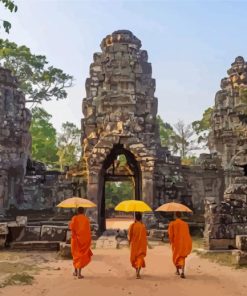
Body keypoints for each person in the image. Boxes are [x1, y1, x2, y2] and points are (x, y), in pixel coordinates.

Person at [69, 207, 93, 279]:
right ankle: (79, 273)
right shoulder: (86, 219)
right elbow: (88, 231)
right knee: (81, 256)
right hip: (84, 240)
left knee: (75, 256)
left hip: (75, 240)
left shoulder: (74, 218)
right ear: (83, 211)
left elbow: (71, 228)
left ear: (77, 211)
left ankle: (75, 272)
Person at [168, 211, 192, 279]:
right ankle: (183, 272)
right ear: (181, 216)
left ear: (175, 216)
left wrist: (170, 240)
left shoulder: (172, 224)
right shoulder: (185, 224)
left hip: (176, 243)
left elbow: (170, 234)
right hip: (183, 243)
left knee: (176, 256)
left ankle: (177, 270)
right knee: (182, 257)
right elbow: (187, 234)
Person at [128, 212, 147, 279]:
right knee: (140, 258)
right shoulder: (143, 226)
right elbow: (145, 236)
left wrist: (129, 242)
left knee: (134, 258)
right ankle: (138, 271)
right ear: (141, 218)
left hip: (134, 245)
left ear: (135, 218)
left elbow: (130, 235)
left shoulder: (132, 225)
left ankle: (137, 271)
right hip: (141, 245)